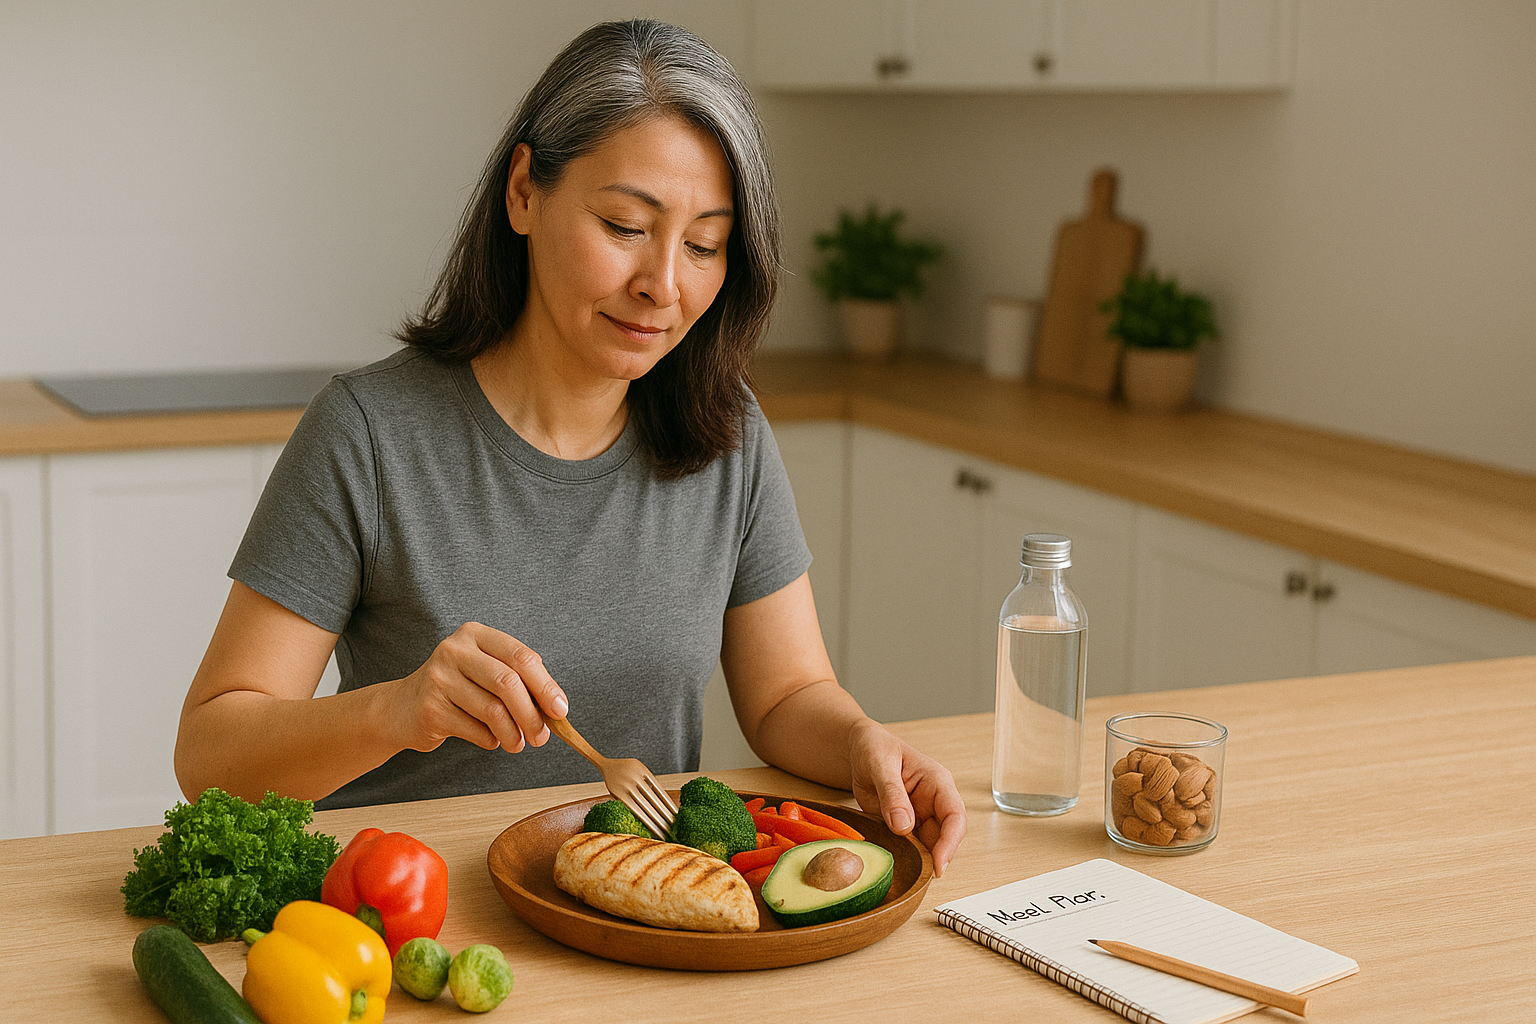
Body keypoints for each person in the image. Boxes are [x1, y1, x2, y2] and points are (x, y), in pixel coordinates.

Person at [174, 19, 965, 875]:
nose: (663, 284)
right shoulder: (369, 434)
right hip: (414, 918)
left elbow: (785, 698)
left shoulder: (726, 435)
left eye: (704, 244)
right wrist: (398, 711)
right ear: (524, 192)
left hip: (635, 905)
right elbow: (212, 754)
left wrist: (862, 745)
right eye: (627, 225)